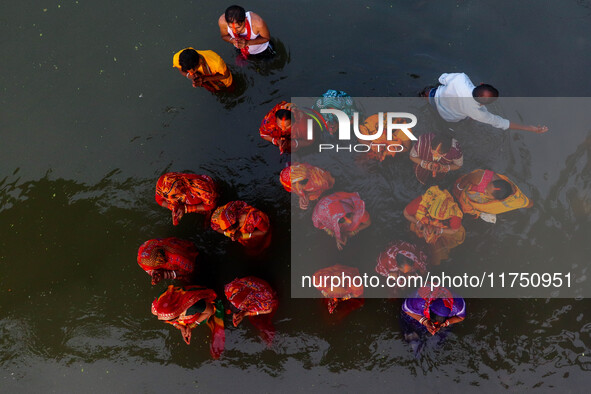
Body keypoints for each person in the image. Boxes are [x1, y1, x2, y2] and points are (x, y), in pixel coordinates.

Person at [422, 73, 548, 133]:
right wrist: (529, 128)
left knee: (427, 91)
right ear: (484, 105)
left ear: (481, 84)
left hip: (433, 97)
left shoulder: (461, 78)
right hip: (447, 117)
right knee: (468, 118)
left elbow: (442, 78)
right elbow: (500, 122)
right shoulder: (478, 113)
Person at [151, 285, 225, 359]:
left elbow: (210, 311)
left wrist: (192, 325)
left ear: (179, 312)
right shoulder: (156, 310)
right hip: (175, 300)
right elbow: (168, 320)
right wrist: (181, 327)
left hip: (190, 297)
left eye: (174, 319)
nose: (170, 321)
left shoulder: (192, 306)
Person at [403, 186, 465, 264]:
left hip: (442, 229)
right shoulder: (423, 201)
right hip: (422, 221)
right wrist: (418, 223)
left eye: (438, 218)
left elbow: (454, 230)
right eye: (432, 217)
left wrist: (441, 230)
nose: (433, 220)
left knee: (436, 257)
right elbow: (406, 213)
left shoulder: (454, 214)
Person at [453, 169, 533, 223]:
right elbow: (466, 179)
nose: (484, 190)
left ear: (496, 200)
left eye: (487, 193)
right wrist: (458, 189)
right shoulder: (479, 178)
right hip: (466, 189)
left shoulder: (516, 200)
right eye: (487, 186)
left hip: (475, 204)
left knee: (469, 214)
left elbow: (529, 204)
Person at [224, 276, 278, 345]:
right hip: (253, 290)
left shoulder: (265, 298)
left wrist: (245, 313)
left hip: (267, 297)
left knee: (258, 321)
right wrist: (243, 314)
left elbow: (269, 309)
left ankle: (268, 338)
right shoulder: (234, 288)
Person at [259, 101, 326, 154]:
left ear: (294, 121)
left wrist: (294, 144)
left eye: (287, 126)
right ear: (275, 119)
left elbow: (310, 141)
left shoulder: (305, 124)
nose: (283, 129)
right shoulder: (270, 120)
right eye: (279, 125)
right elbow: (263, 134)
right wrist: (276, 141)